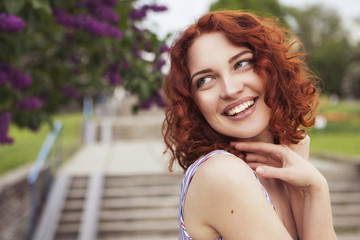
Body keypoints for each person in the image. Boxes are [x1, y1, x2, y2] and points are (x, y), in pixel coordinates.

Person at [162, 10, 337, 240]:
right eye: (205, 80)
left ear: (272, 69)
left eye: (241, 63)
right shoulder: (222, 174)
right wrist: (317, 190)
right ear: (193, 103)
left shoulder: (283, 169)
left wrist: (304, 188)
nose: (230, 89)